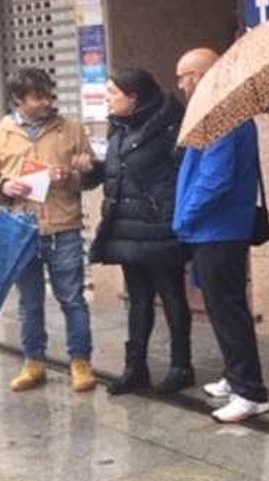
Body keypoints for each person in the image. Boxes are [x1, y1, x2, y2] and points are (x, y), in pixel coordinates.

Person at [0, 67, 99, 394]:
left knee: (72, 298)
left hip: (63, 225)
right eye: (37, 97)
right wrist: (3, 185)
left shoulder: (70, 129)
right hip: (20, 229)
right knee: (29, 301)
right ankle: (34, 362)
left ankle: (81, 363)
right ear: (18, 99)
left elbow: (89, 177)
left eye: (48, 94)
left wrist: (72, 175)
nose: (46, 102)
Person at [173, 48, 269, 423]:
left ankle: (251, 392)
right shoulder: (214, 114)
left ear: (204, 75)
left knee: (228, 310)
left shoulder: (223, 116)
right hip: (211, 230)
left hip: (218, 230)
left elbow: (215, 180)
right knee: (221, 307)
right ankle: (235, 376)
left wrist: (185, 217)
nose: (181, 83)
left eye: (186, 75)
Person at [90, 68, 193, 396]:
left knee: (172, 295)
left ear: (133, 97)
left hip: (159, 227)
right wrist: (87, 170)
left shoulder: (168, 126)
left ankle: (181, 366)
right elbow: (115, 172)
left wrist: (167, 212)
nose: (108, 98)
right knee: (138, 300)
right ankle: (135, 368)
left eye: (113, 93)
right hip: (125, 228)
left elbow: (181, 176)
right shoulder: (118, 127)